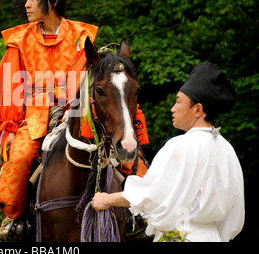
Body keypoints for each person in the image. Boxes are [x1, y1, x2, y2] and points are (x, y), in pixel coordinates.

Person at [0, 0, 149, 238]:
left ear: (52, 2)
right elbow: (5, 83)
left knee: (122, 147)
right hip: (35, 114)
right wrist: (9, 128)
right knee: (21, 156)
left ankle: (139, 206)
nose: (26, 5)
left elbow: (93, 75)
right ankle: (15, 220)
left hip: (76, 108)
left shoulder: (81, 36)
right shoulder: (19, 40)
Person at [92, 62, 245, 242]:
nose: (173, 108)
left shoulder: (181, 145)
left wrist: (107, 199)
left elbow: (151, 194)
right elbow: (235, 213)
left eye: (178, 101)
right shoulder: (227, 149)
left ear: (198, 110)